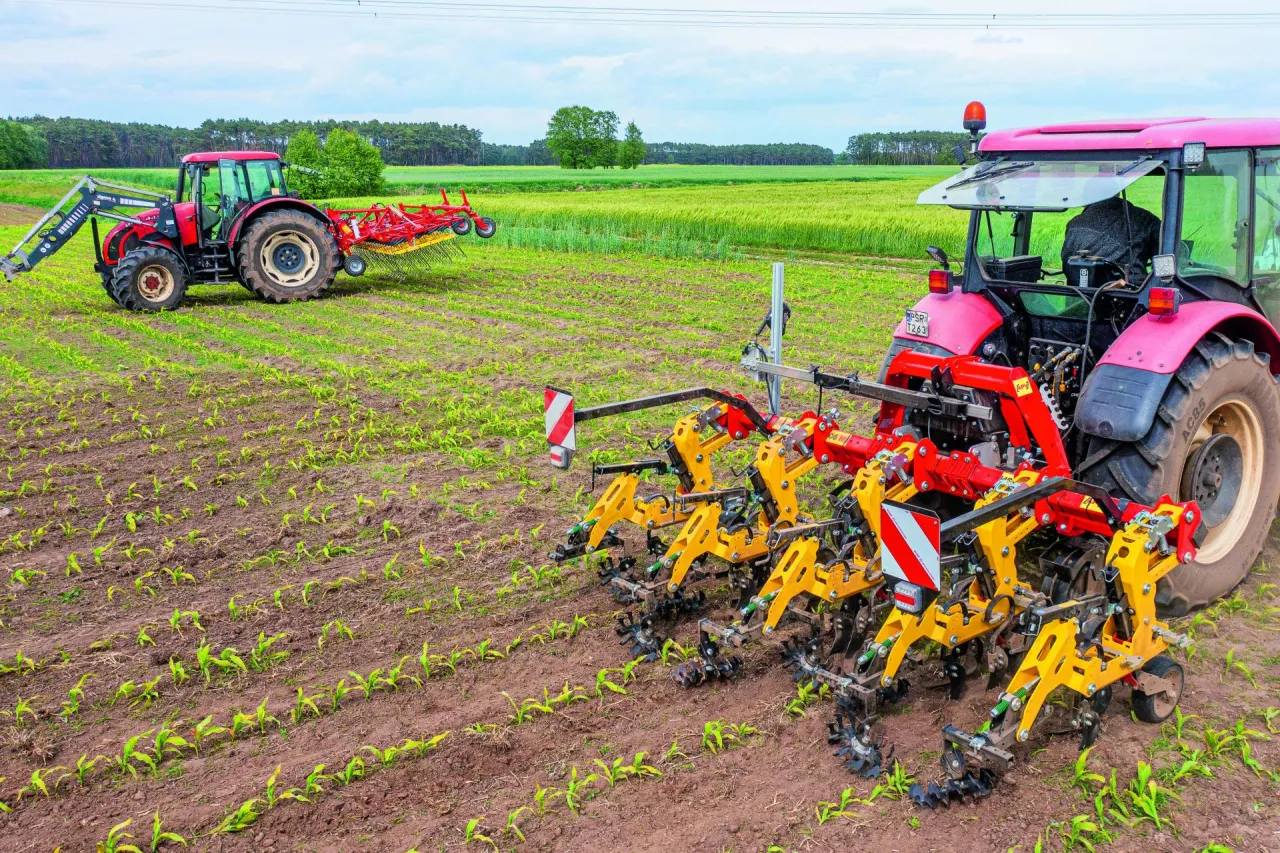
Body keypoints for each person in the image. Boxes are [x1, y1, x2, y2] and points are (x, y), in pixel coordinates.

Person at [1060, 195, 1160, 286]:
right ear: (1116, 192)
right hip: (1133, 297)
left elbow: (1067, 265)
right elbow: (1163, 269)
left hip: (1079, 298)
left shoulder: (1074, 224)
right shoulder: (1147, 220)